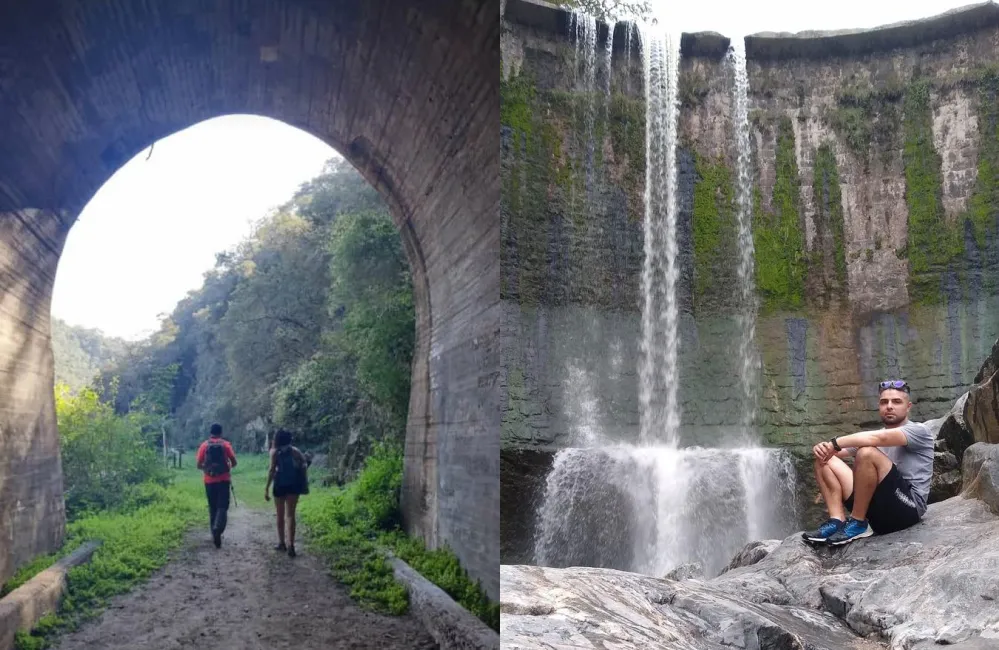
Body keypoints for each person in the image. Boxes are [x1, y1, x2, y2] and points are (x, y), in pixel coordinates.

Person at [802, 380, 934, 546]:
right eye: (884, 402)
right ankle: (837, 521)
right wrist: (823, 448)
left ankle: (857, 521)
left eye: (896, 402)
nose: (889, 406)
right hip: (878, 511)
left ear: (908, 407)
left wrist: (834, 442)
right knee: (824, 459)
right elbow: (836, 451)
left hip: (907, 509)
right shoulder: (873, 436)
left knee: (866, 453)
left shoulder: (919, 431)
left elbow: (878, 439)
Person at [264, 429, 310, 557]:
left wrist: (266, 488)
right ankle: (291, 545)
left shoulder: (275, 452)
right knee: (290, 515)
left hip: (279, 485)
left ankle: (281, 543)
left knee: (280, 515)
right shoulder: (295, 451)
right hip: (293, 486)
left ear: (277, 440)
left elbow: (271, 470)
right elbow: (304, 465)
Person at [195, 423, 237, 548]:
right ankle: (218, 528)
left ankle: (214, 533)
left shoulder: (204, 445)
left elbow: (198, 465)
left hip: (209, 481)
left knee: (212, 507)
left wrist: (208, 469)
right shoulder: (225, 445)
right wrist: (226, 468)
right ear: (221, 433)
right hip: (223, 480)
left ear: (210, 433)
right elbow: (234, 462)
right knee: (222, 506)